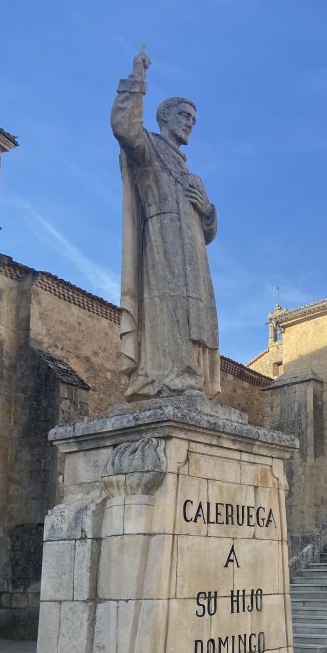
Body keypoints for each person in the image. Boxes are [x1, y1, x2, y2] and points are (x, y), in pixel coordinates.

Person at [111, 46, 220, 400]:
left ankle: (190, 376)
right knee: (166, 306)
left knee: (194, 316)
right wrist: (137, 80)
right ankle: (164, 376)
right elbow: (124, 128)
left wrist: (208, 211)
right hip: (160, 245)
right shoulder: (149, 149)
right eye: (184, 115)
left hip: (194, 260)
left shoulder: (194, 177)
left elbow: (208, 233)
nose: (190, 122)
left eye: (193, 119)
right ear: (165, 118)